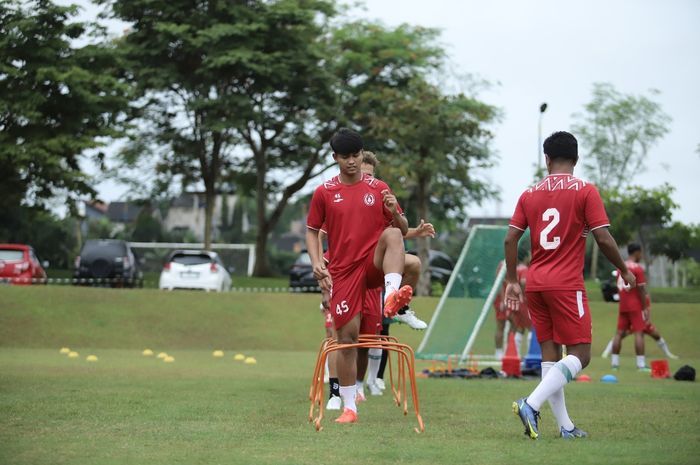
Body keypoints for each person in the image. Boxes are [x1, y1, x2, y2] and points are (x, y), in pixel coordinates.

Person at [504, 131, 636, 440]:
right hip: (566, 285)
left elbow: (511, 238)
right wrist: (623, 270)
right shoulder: (586, 191)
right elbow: (603, 237)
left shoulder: (529, 193)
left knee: (551, 357)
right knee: (582, 355)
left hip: (534, 284)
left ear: (546, 160)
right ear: (576, 160)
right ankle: (531, 404)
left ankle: (565, 427)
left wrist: (512, 280)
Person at [306, 128, 413, 424]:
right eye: (345, 157)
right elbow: (312, 230)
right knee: (347, 340)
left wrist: (395, 212)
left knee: (391, 233)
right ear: (335, 158)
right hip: (343, 272)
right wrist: (317, 262)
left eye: (355, 155)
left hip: (372, 264)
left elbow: (402, 230)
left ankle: (393, 295)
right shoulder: (324, 192)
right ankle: (350, 407)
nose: (351, 161)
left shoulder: (378, 188)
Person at [606, 244, 677, 370]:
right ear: (637, 252)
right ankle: (641, 365)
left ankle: (614, 364)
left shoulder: (620, 268)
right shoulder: (637, 268)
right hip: (635, 306)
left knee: (618, 334)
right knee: (639, 333)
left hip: (623, 305)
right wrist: (645, 308)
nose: (641, 255)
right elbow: (641, 289)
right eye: (641, 253)